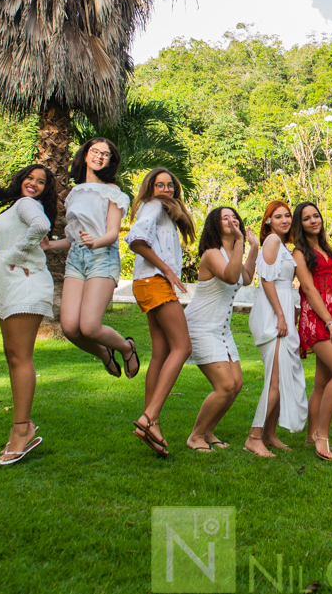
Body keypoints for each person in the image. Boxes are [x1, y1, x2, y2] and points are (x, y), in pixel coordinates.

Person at [0, 164, 58, 466]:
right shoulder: (14, 205)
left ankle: (22, 429)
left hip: (26, 282)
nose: (34, 184)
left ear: (45, 190)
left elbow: (41, 227)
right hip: (11, 284)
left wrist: (16, 253)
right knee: (14, 356)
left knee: (20, 357)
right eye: (30, 178)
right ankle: (22, 426)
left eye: (41, 182)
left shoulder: (27, 204)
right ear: (19, 180)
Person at [45, 138, 140, 382]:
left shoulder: (113, 192)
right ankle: (104, 354)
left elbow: (111, 233)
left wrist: (94, 242)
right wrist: (50, 245)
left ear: (110, 161)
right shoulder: (74, 193)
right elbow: (72, 238)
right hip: (76, 258)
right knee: (70, 328)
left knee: (89, 327)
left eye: (105, 154)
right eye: (95, 152)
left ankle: (126, 347)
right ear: (85, 156)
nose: (99, 156)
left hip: (102, 257)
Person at [125, 167, 196, 456]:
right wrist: (165, 268)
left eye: (170, 186)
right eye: (159, 185)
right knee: (183, 347)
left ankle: (151, 422)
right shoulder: (152, 207)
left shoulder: (163, 211)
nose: (165, 189)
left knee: (161, 351)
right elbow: (135, 239)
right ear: (150, 188)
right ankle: (149, 417)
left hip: (146, 283)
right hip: (154, 282)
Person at [183, 207, 259, 453]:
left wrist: (252, 248)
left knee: (236, 384)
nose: (231, 219)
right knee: (224, 385)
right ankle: (195, 436)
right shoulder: (212, 254)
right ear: (214, 225)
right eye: (224, 217)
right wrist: (239, 241)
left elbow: (245, 277)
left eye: (234, 216)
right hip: (201, 325)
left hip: (221, 329)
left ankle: (208, 431)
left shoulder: (232, 250)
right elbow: (229, 276)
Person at [292, 202, 332, 461]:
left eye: (316, 216)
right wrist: (329, 322)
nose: (313, 221)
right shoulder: (298, 252)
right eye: (307, 218)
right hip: (316, 319)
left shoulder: (324, 248)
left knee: (321, 383)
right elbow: (308, 289)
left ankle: (310, 437)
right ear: (300, 224)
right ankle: (322, 435)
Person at [245, 200, 307, 458]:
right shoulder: (272, 241)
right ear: (268, 220)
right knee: (275, 380)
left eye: (287, 216)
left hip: (282, 311)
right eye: (278, 216)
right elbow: (266, 279)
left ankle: (269, 434)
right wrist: (281, 316)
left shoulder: (283, 246)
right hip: (272, 314)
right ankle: (254, 437)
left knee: (281, 378)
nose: (284, 220)